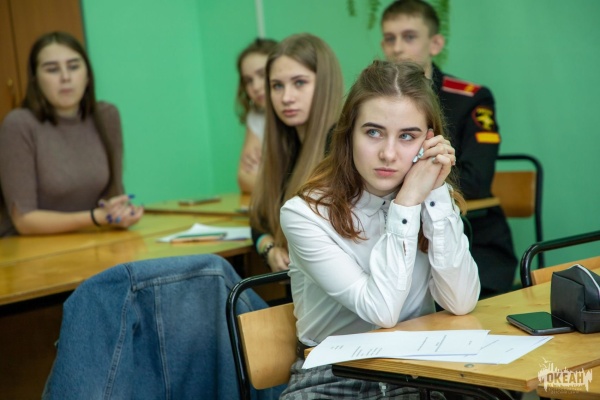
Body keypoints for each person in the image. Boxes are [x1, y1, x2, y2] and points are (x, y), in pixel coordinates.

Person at [279, 60, 480, 399]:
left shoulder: (432, 198)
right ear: (348, 134)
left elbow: (461, 301)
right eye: (373, 132)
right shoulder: (304, 214)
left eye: (407, 136)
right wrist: (408, 202)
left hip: (414, 372)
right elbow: (381, 310)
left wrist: (433, 192)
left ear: (429, 141)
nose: (388, 154)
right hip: (330, 378)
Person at [380, 0, 518, 297]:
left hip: (471, 236)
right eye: (390, 39)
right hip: (393, 237)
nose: (398, 48)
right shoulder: (374, 104)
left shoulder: (470, 99)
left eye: (409, 37)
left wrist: (408, 184)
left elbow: (476, 180)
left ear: (435, 43)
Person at [0, 31, 143, 237]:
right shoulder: (19, 124)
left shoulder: (106, 115)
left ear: (87, 75)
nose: (66, 77)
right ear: (35, 80)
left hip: (90, 239)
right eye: (52, 69)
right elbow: (24, 221)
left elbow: (113, 196)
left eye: (74, 66)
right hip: (30, 247)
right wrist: (95, 218)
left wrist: (120, 213)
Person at [250, 33, 344, 272]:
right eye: (277, 86)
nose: (286, 98)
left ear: (324, 84)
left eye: (299, 83)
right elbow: (259, 219)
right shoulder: (285, 145)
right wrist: (269, 248)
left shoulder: (341, 147)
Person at [235, 38, 278, 194]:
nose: (256, 87)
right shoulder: (256, 117)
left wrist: (266, 176)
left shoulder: (299, 116)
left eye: (262, 75)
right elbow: (244, 178)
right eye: (248, 81)